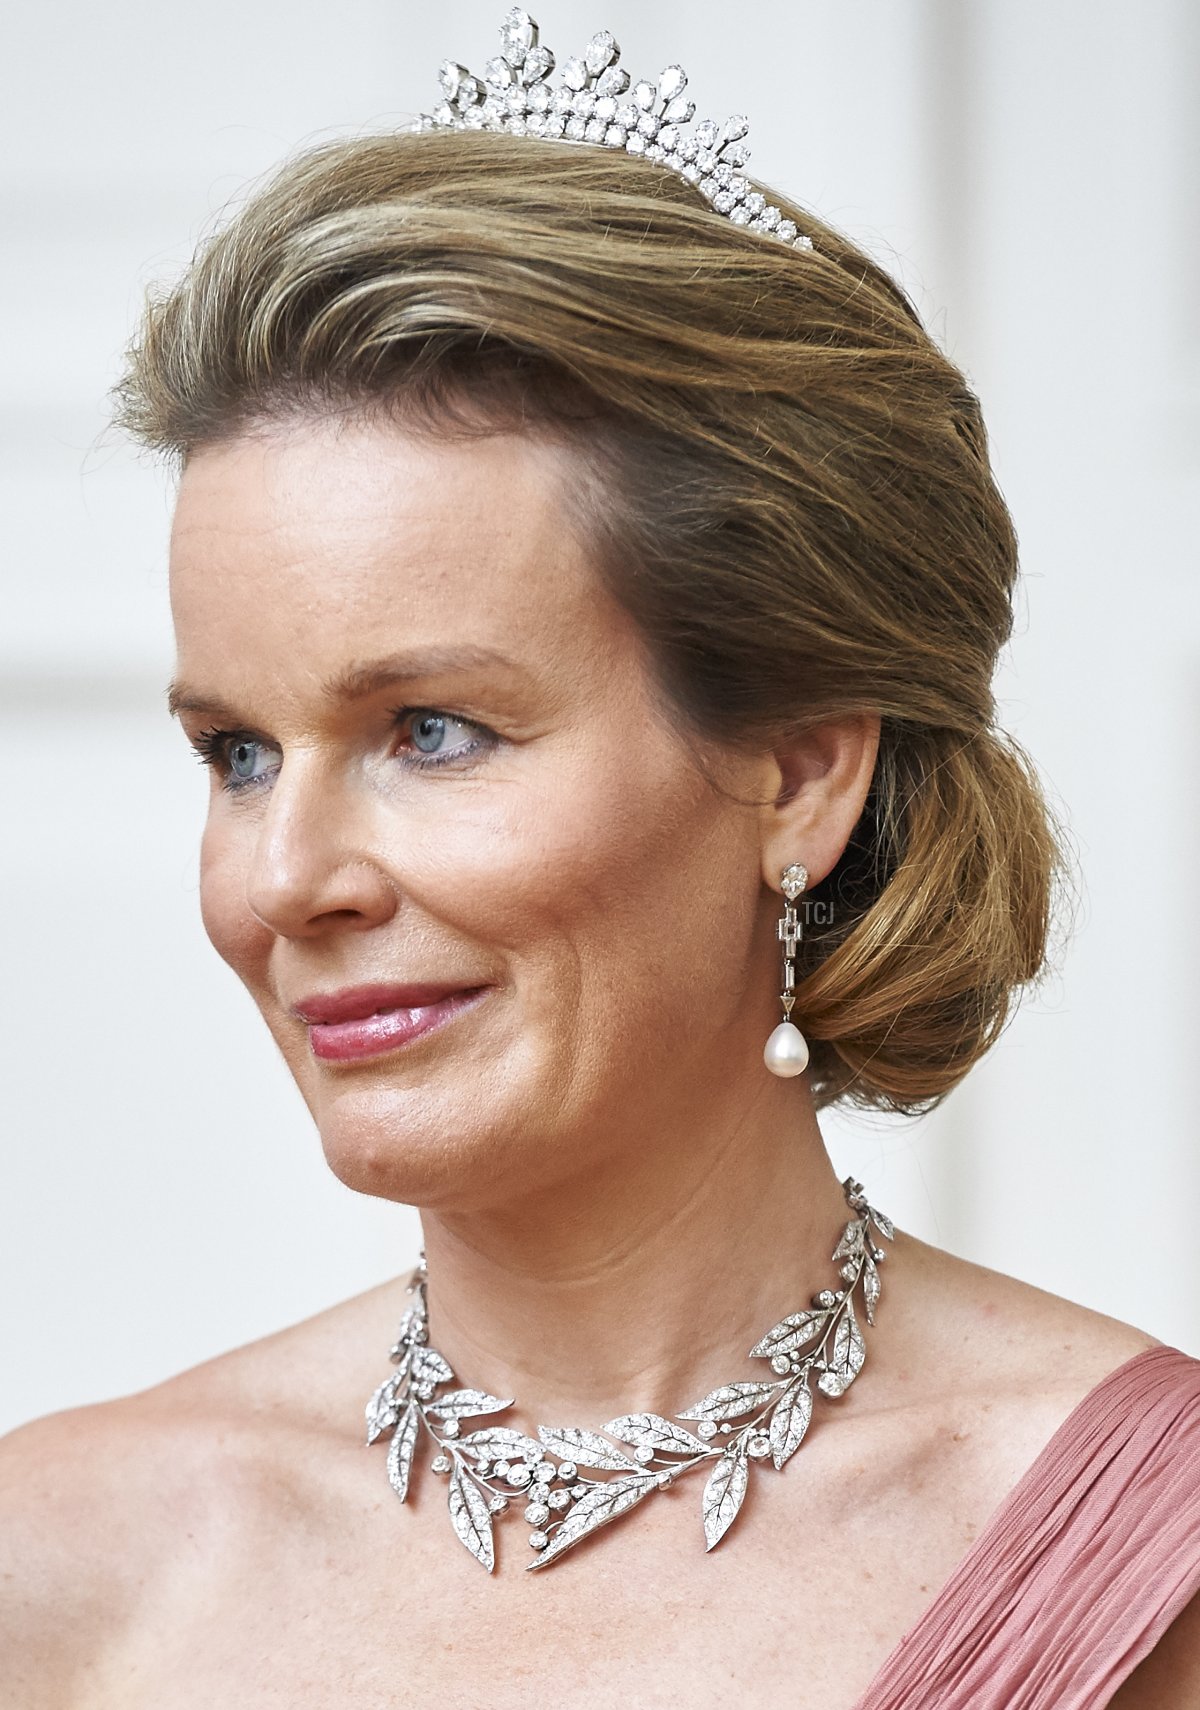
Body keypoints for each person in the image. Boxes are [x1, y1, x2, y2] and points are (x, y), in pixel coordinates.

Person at [3, 14, 1198, 1707]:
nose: (284, 881)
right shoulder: (58, 1573)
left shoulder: (1149, 1560)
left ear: (797, 771)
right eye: (238, 754)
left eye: (432, 730)